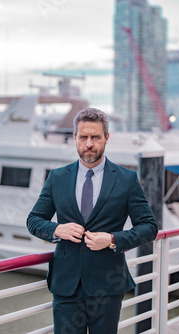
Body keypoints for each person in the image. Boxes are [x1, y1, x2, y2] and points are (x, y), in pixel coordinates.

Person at [27, 107, 158, 334]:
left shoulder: (127, 180)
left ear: (106, 138)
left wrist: (111, 239)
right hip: (66, 286)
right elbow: (34, 220)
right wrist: (57, 229)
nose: (89, 143)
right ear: (75, 138)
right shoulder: (57, 177)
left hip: (108, 287)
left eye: (95, 137)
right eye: (83, 137)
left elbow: (149, 227)